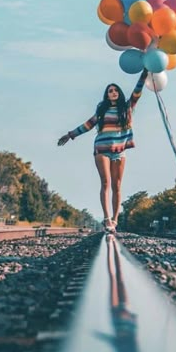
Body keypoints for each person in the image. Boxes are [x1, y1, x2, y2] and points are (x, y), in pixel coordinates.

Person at [57, 68, 148, 233]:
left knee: (117, 186)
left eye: (115, 90)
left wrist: (145, 72)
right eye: (109, 91)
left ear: (119, 93)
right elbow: (88, 124)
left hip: (119, 151)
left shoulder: (127, 107)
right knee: (105, 182)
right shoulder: (102, 110)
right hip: (102, 148)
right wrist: (70, 135)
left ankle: (115, 219)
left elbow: (137, 92)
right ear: (107, 95)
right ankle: (106, 219)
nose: (112, 93)